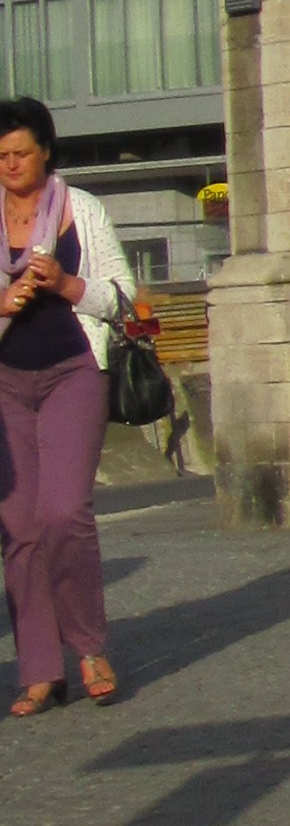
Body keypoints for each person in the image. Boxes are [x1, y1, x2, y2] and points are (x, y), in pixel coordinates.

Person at [0, 97, 138, 716]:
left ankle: (88, 646)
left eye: (21, 152)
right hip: (6, 383)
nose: (10, 164)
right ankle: (39, 671)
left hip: (72, 373)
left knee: (62, 513)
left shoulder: (81, 209)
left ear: (46, 151)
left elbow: (123, 299)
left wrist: (64, 285)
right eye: (0, 156)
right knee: (20, 527)